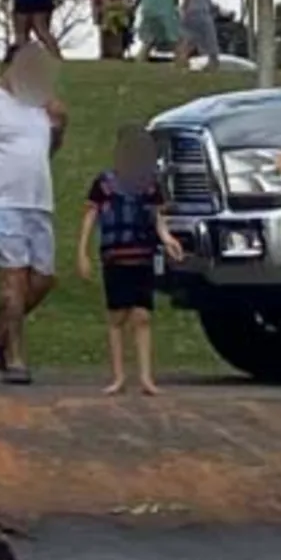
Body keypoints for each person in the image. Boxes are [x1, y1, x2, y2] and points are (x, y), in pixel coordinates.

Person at [0, 41, 66, 384]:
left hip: (37, 201)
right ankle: (15, 357)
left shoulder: (40, 105)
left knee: (43, 278)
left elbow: (46, 151)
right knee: (13, 279)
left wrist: (60, 125)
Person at [76, 125, 185, 396]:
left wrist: (167, 239)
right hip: (116, 257)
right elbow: (90, 215)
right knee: (117, 315)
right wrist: (82, 251)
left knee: (142, 315)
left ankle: (146, 377)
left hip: (143, 257)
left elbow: (157, 218)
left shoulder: (150, 186)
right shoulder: (104, 183)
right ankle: (118, 376)